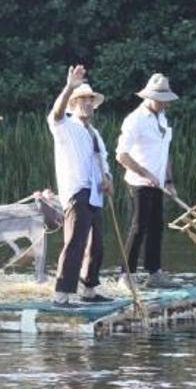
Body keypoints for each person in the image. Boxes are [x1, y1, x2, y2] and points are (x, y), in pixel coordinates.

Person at [46, 65, 114, 307]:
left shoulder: (94, 133)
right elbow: (55, 114)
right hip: (76, 192)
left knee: (97, 244)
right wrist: (69, 88)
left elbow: (103, 161)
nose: (87, 103)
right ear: (73, 104)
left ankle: (89, 290)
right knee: (75, 243)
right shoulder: (66, 126)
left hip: (95, 194)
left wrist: (108, 178)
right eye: (82, 99)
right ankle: (61, 295)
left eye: (89, 99)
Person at [115, 73, 182, 289]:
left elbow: (165, 151)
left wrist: (169, 181)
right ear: (150, 97)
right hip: (138, 183)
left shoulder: (162, 117)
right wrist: (146, 174)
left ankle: (154, 273)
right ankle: (126, 275)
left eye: (166, 100)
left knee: (156, 227)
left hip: (159, 184)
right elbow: (121, 155)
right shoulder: (135, 120)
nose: (165, 104)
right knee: (138, 226)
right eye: (161, 99)